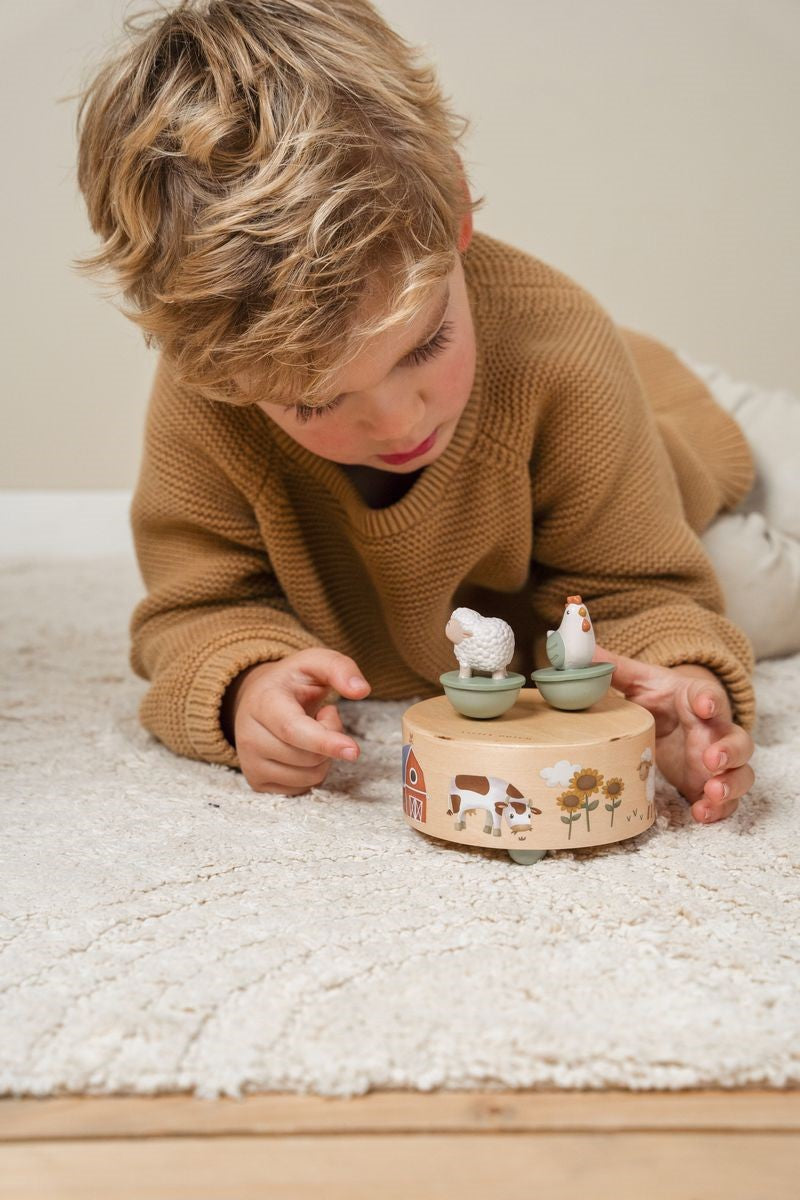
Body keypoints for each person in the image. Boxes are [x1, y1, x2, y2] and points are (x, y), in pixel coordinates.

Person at [73, 0, 796, 824]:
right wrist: (244, 682)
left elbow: (644, 590)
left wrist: (686, 692)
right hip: (543, 505)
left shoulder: (561, 353)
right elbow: (195, 608)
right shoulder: (211, 388)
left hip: (655, 428)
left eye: (422, 347)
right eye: (314, 401)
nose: (393, 422)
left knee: (754, 590)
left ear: (456, 209)